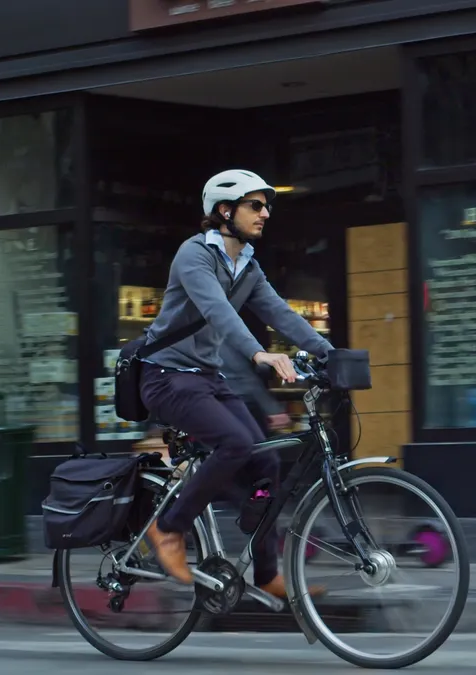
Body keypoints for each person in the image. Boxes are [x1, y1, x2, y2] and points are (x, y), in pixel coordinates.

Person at [139, 169, 332, 598]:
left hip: (207, 379)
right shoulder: (194, 255)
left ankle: (266, 574)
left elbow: (280, 313)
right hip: (166, 377)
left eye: (267, 206)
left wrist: (328, 353)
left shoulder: (247, 265)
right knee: (235, 444)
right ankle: (168, 527)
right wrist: (258, 353)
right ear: (225, 211)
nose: (265, 213)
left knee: (265, 460)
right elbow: (216, 311)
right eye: (255, 205)